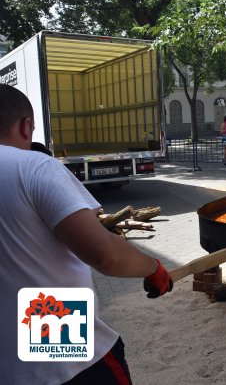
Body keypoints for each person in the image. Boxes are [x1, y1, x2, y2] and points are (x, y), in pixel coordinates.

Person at [0, 84, 173, 384]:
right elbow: (103, 254)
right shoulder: (32, 167)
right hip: (54, 342)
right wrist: (153, 267)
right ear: (26, 126)